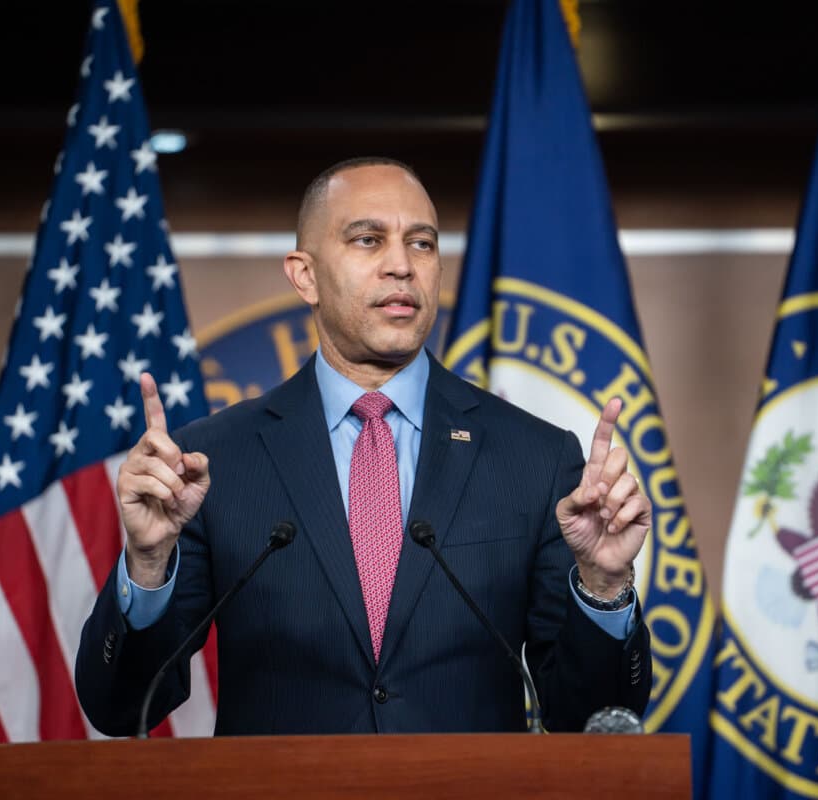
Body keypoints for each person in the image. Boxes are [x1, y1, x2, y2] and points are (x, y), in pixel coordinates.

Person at [75, 157, 653, 735]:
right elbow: (121, 707)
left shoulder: (535, 458)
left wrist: (603, 588)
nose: (401, 266)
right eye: (368, 240)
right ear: (305, 276)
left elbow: (591, 719)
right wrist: (148, 567)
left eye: (422, 244)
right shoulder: (214, 462)